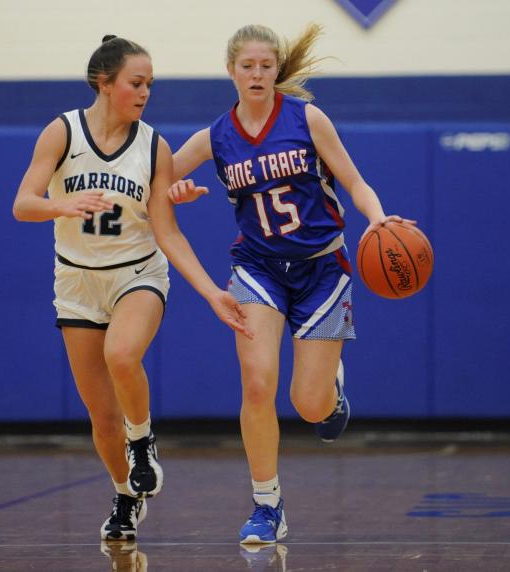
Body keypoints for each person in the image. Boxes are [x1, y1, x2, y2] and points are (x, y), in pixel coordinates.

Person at [164, 23, 415, 544]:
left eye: (266, 65)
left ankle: (332, 389)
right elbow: (159, 182)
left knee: (310, 406)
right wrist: (179, 189)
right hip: (257, 269)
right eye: (247, 65)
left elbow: (353, 180)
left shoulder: (307, 118)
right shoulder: (215, 136)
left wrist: (378, 219)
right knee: (257, 385)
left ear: (277, 69)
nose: (257, 74)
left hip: (324, 269)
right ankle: (267, 506)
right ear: (230, 70)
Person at [12, 35, 248, 541]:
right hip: (76, 282)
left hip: (137, 274)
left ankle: (142, 441)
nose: (145, 93)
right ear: (106, 82)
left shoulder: (154, 145)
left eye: (150, 85)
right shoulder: (63, 133)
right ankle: (124, 493)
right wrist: (61, 206)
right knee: (100, 416)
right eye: (136, 83)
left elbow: (167, 231)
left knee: (123, 354)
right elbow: (23, 203)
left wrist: (212, 293)